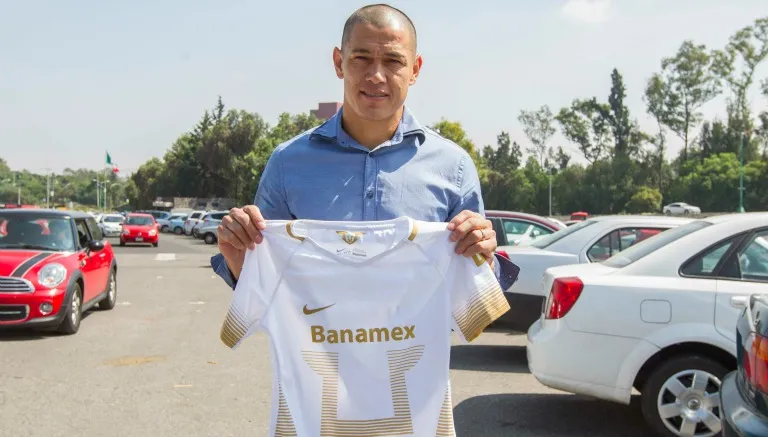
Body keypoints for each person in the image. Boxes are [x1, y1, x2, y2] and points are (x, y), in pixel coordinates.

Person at [211, 3, 518, 291]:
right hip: (313, 334)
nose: (376, 75)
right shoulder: (287, 163)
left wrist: (484, 259)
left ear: (415, 69)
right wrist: (238, 260)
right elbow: (263, 285)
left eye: (393, 61)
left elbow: (473, 293)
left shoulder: (453, 167)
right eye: (361, 58)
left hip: (417, 335)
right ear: (338, 62)